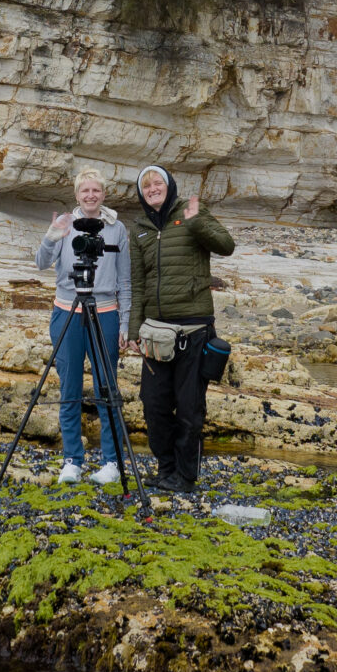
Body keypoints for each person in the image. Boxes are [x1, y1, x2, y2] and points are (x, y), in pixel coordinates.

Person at [127, 163, 233, 492]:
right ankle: (166, 469)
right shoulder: (139, 228)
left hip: (194, 330)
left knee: (189, 408)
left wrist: (196, 221)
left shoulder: (191, 212)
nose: (152, 189)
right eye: (146, 186)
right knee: (153, 404)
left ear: (169, 185)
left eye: (157, 183)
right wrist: (133, 331)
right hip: (155, 334)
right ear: (142, 194)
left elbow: (226, 245)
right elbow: (138, 284)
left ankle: (185, 477)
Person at [33, 169, 133, 487]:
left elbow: (124, 280)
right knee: (70, 389)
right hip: (67, 310)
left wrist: (125, 323)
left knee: (107, 388)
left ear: (103, 194)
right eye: (85, 191)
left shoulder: (117, 228)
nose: (90, 195)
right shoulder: (65, 223)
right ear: (77, 195)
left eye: (96, 190)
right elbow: (40, 262)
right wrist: (52, 235)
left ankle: (111, 461)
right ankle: (72, 461)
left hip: (105, 314)